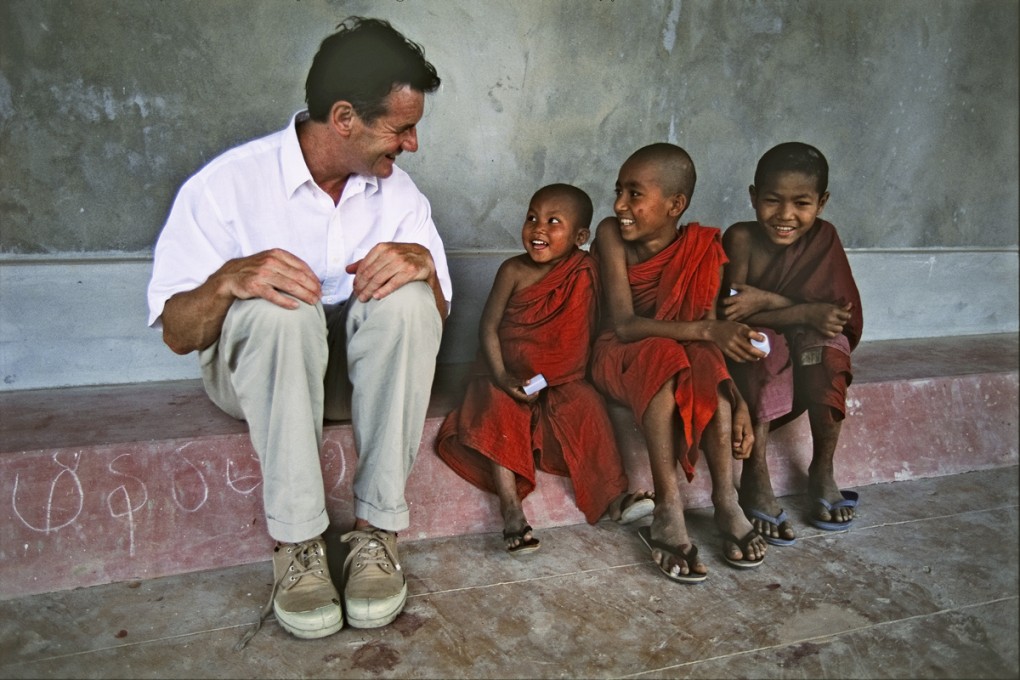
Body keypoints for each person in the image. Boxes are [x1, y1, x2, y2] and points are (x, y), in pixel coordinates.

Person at [146, 17, 452, 646]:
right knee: (276, 303)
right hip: (259, 377)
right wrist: (230, 278)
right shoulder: (226, 185)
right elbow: (177, 333)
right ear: (344, 118)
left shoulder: (400, 195)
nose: (413, 144)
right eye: (401, 128)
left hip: (352, 382)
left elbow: (433, 324)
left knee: (410, 300)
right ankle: (297, 545)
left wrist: (426, 272)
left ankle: (377, 535)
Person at [435, 184, 654, 555]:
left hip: (564, 378)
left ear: (580, 236)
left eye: (554, 222)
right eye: (532, 218)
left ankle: (613, 498)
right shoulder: (513, 270)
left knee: (588, 407)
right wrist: (503, 377)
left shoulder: (586, 269)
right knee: (498, 408)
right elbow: (488, 326)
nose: (538, 229)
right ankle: (511, 509)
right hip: (505, 372)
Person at [589, 143, 769, 583]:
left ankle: (726, 500)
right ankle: (669, 507)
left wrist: (740, 402)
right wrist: (708, 332)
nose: (619, 205)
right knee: (670, 353)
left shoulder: (703, 247)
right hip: (619, 352)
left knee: (702, 361)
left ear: (676, 205)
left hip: (680, 355)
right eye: (619, 191)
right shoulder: (611, 234)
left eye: (635, 194)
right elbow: (627, 326)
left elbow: (709, 336)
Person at [720, 142, 863, 545]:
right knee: (761, 346)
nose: (785, 216)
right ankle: (756, 474)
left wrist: (770, 302)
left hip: (805, 342)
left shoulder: (825, 238)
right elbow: (733, 313)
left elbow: (834, 315)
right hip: (759, 348)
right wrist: (801, 311)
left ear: (822, 202)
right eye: (771, 201)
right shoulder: (741, 239)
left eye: (801, 203)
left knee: (831, 348)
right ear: (752, 197)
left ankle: (822, 469)